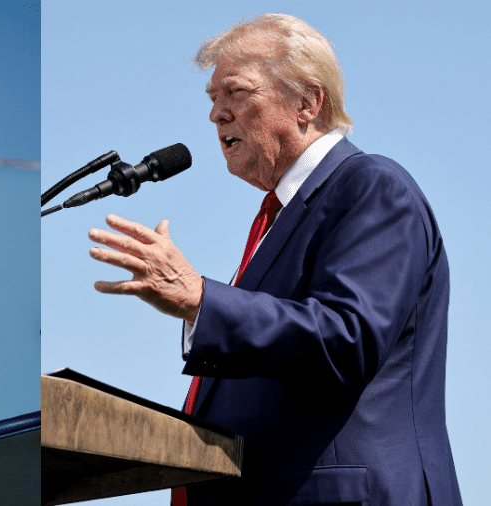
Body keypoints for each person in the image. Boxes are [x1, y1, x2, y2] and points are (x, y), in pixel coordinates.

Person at [87, 14, 461, 506]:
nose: (216, 114)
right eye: (212, 99)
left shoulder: (371, 185)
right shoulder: (279, 218)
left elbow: (349, 336)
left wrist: (202, 300)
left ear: (307, 102)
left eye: (237, 93)